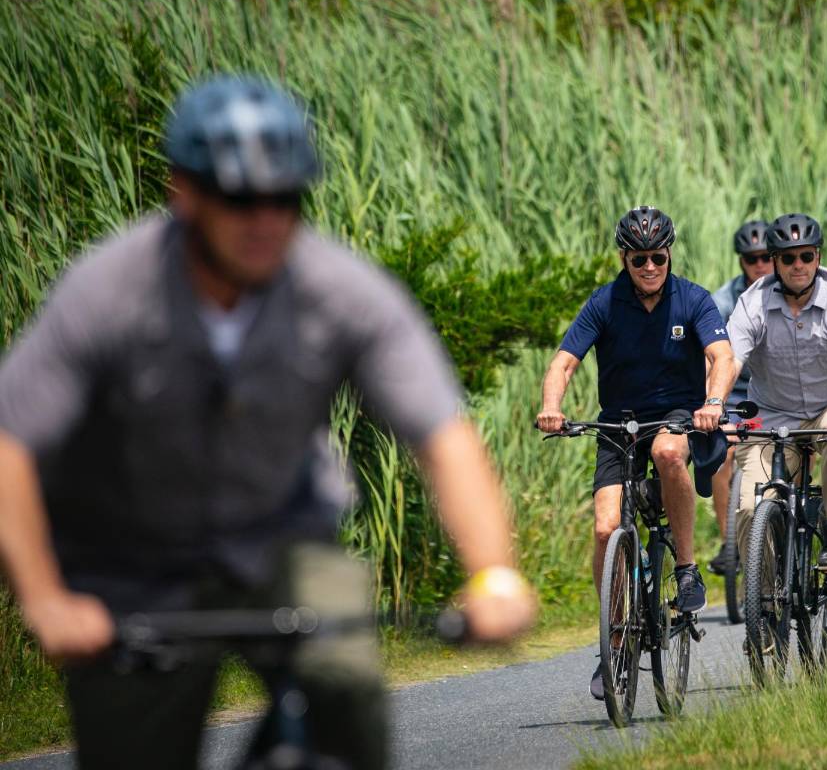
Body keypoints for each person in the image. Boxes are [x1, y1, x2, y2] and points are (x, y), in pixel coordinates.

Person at [0, 75, 536, 770]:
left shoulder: (343, 291)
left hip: (284, 539)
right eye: (239, 199)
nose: (265, 220)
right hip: (131, 564)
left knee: (351, 699)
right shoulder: (108, 291)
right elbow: (11, 443)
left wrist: (493, 574)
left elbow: (442, 435)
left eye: (285, 199)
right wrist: (45, 600)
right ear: (183, 194)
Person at [535, 205, 736, 700]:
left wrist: (712, 402)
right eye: (639, 259)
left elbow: (722, 357)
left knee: (670, 454)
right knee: (606, 527)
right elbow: (563, 364)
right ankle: (614, 640)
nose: (649, 267)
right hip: (617, 425)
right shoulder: (604, 303)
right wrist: (551, 408)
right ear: (625, 259)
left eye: (658, 258)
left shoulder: (692, 299)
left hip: (676, 418)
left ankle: (686, 571)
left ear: (670, 255)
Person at [725, 213, 827, 572]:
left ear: (818, 258)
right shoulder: (753, 302)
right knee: (750, 507)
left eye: (806, 256)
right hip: (773, 411)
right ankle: (761, 604)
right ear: (775, 261)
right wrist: (713, 406)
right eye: (789, 258)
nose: (799, 265)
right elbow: (730, 360)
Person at [707, 220, 773, 575]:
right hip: (734, 393)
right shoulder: (723, 302)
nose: (759, 265)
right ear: (741, 263)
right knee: (722, 451)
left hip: (774, 393)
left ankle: (782, 523)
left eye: (766, 257)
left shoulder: (789, 293)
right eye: (752, 259)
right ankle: (729, 543)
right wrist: (710, 405)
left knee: (781, 449)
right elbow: (710, 358)